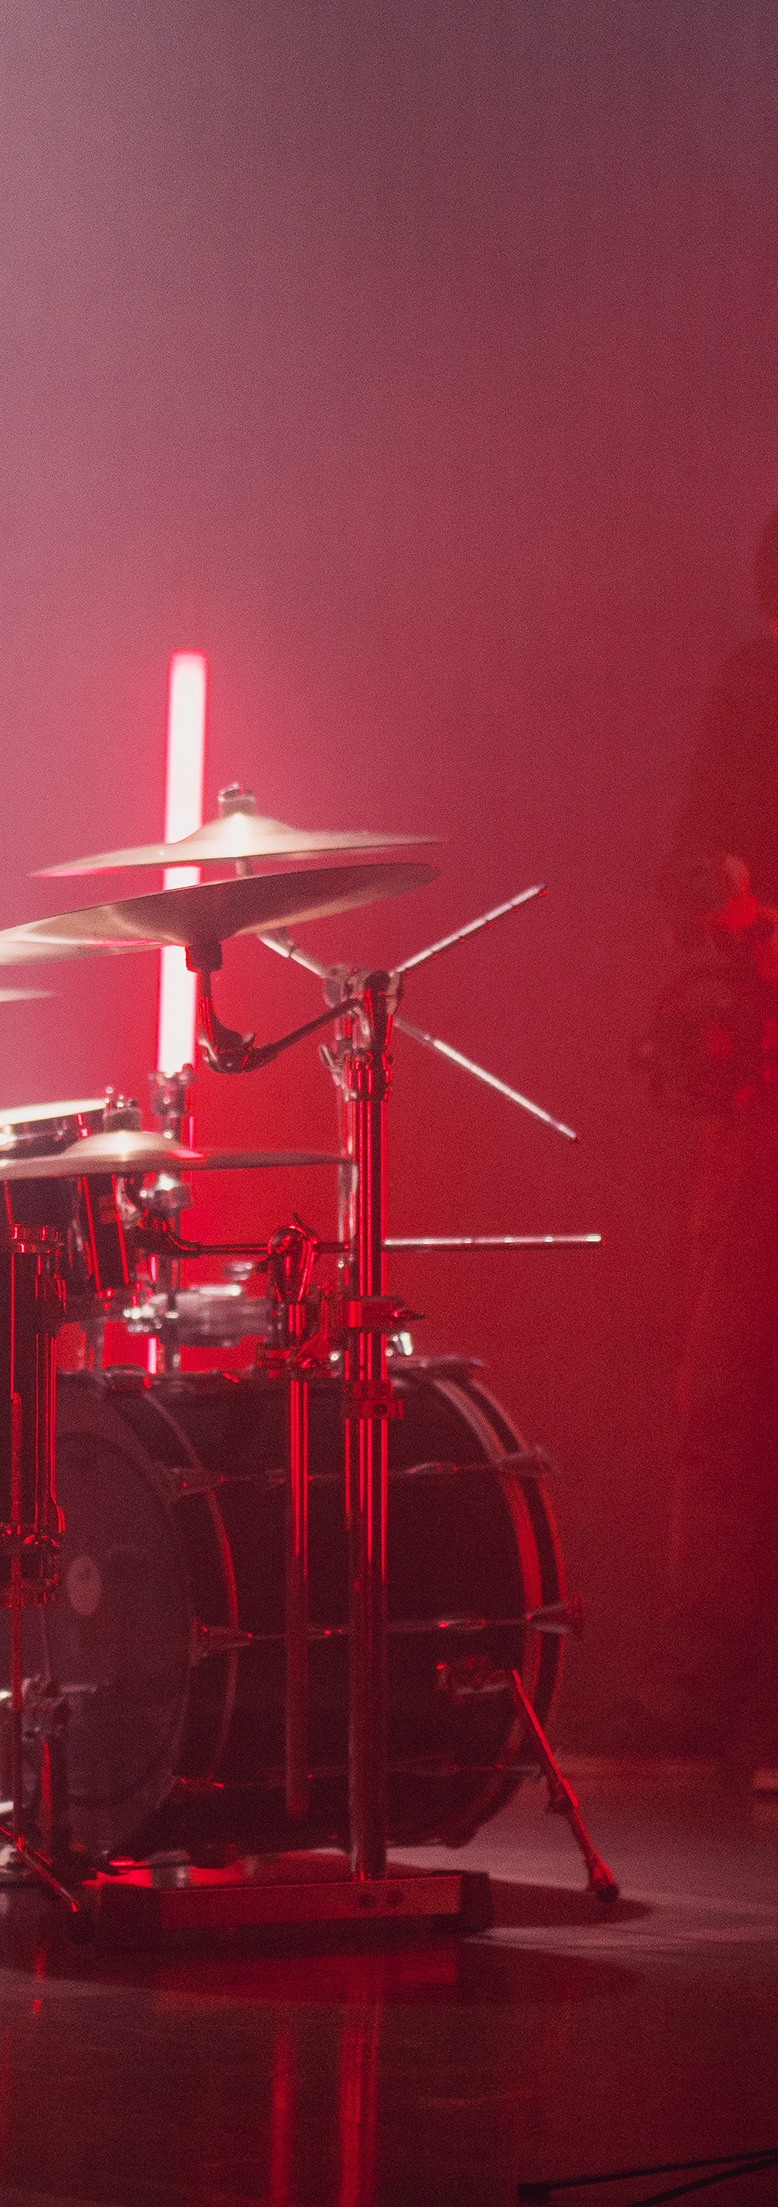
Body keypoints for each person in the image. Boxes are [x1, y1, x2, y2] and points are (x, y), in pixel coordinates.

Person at [630, 506, 778, 1770]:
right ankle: (700, 1679)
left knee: (727, 1391)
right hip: (762, 1088)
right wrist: (723, 926)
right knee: (725, 1390)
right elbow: (695, 874)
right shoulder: (754, 686)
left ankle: (705, 1683)